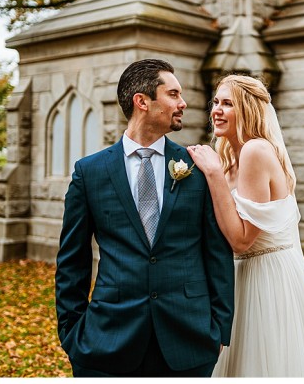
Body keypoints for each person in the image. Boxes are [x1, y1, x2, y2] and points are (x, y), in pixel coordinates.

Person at [55, 58, 235, 376]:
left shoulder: (198, 168)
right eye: (173, 94)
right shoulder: (90, 172)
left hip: (189, 341)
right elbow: (72, 261)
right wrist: (72, 334)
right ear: (142, 102)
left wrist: (218, 329)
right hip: (107, 340)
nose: (183, 103)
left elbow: (216, 252)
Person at [187, 74, 304, 377]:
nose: (216, 110)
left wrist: (213, 176)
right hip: (238, 277)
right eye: (216, 102)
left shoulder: (255, 151)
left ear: (247, 110)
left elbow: (242, 239)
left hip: (268, 277)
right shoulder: (229, 157)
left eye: (228, 104)